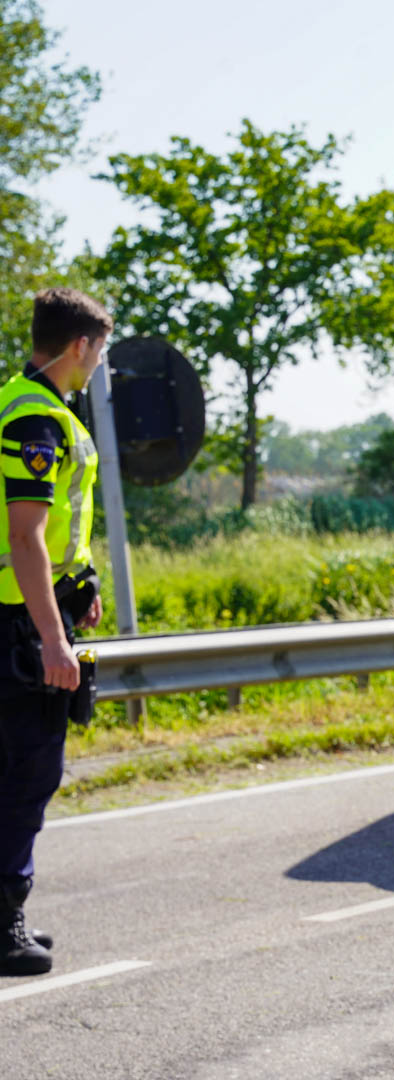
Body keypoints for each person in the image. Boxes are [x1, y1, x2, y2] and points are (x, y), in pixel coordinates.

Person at [0, 288, 109, 976]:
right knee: (25, 773)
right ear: (79, 346)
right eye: (100, 350)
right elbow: (25, 536)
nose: (100, 364)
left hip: (25, 609)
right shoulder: (38, 420)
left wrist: (81, 585)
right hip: (16, 624)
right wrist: (52, 637)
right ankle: (4, 918)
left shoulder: (17, 400)